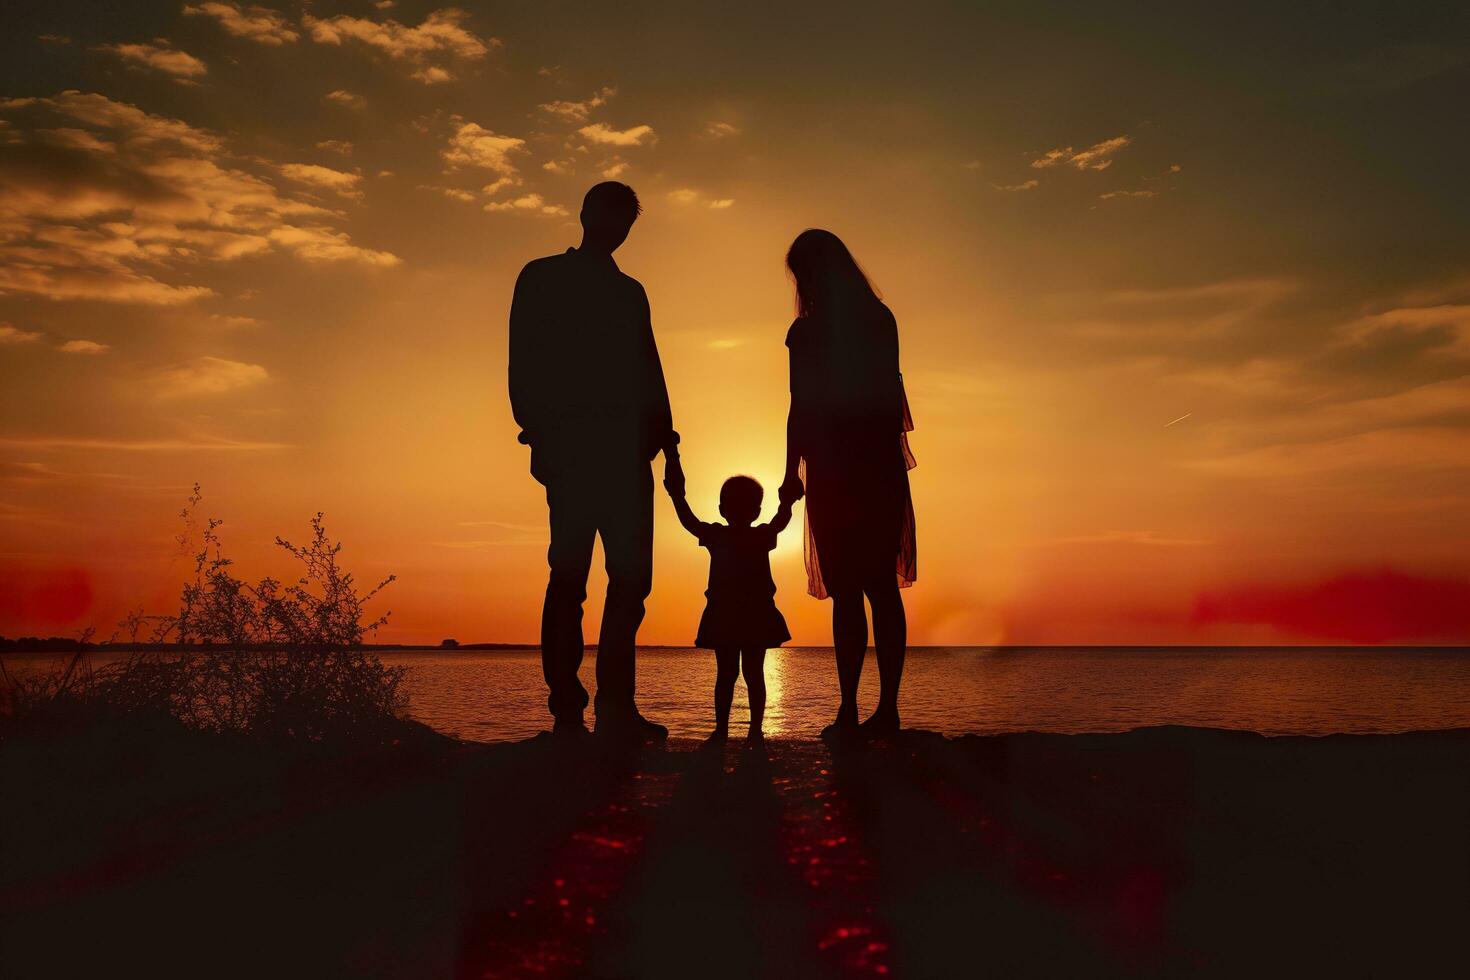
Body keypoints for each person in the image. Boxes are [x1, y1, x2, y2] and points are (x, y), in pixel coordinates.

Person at [508, 182, 683, 741]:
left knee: (631, 581)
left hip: (630, 453)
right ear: (585, 214)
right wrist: (538, 437)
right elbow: (524, 361)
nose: (615, 230)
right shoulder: (540, 278)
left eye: (624, 223)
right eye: (609, 217)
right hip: (574, 452)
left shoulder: (630, 293)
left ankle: (616, 707)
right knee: (569, 576)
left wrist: (670, 447)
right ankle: (567, 707)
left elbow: (650, 369)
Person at [777, 229, 916, 738]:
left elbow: (802, 407)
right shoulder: (878, 320)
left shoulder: (810, 332)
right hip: (868, 466)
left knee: (856, 592)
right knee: (875, 589)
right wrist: (796, 470)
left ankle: (857, 710)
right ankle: (878, 710)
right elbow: (885, 395)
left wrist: (792, 471)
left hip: (840, 468)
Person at [667, 474, 793, 744]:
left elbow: (690, 522)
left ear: (722, 509)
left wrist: (678, 497)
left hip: (737, 614)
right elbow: (780, 522)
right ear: (756, 510)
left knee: (732, 673)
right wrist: (787, 503)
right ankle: (746, 731)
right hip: (743, 614)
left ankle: (735, 730)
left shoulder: (724, 535)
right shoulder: (754, 536)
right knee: (747, 673)